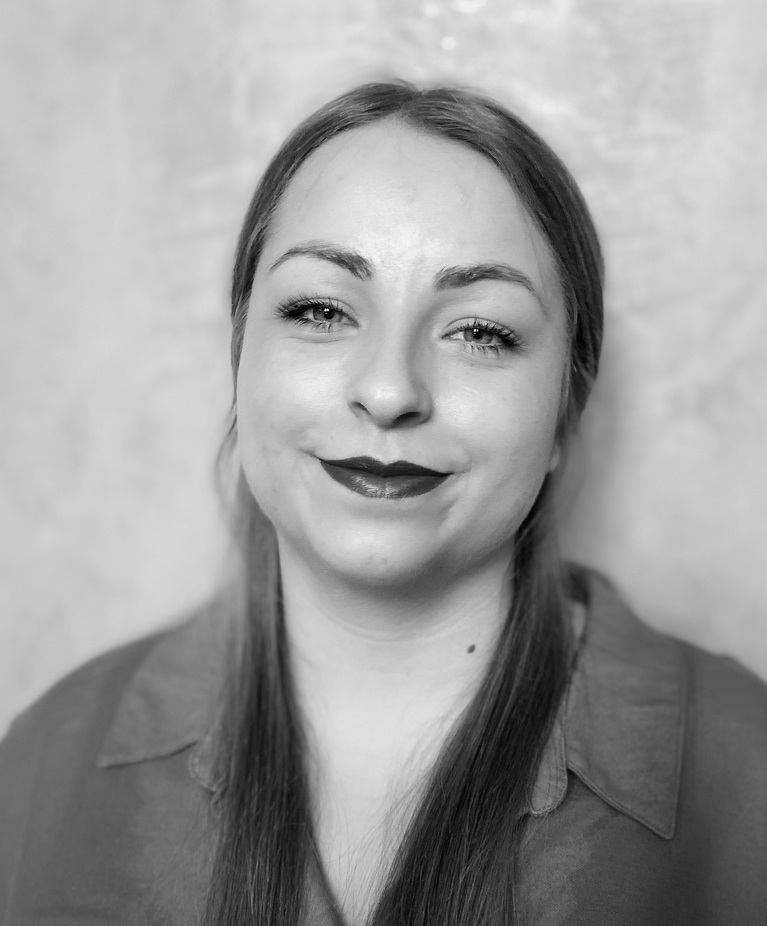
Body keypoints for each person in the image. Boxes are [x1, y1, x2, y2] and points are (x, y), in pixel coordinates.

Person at [1, 81, 766, 926]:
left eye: (480, 331)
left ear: (564, 411)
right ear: (242, 361)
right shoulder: (43, 762)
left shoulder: (746, 772)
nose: (390, 390)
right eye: (320, 309)